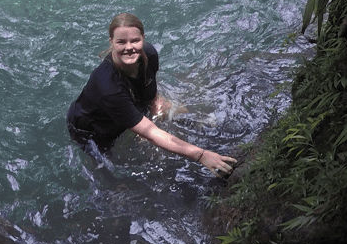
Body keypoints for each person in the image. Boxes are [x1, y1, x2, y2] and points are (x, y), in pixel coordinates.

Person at [67, 12, 238, 176]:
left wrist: (156, 105)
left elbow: (150, 93)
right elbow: (151, 132)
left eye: (135, 40)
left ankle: (208, 126)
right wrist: (201, 155)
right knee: (109, 168)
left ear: (143, 39)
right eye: (121, 42)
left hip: (126, 103)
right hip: (94, 129)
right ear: (111, 41)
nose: (129, 48)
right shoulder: (108, 86)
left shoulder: (148, 54)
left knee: (174, 111)